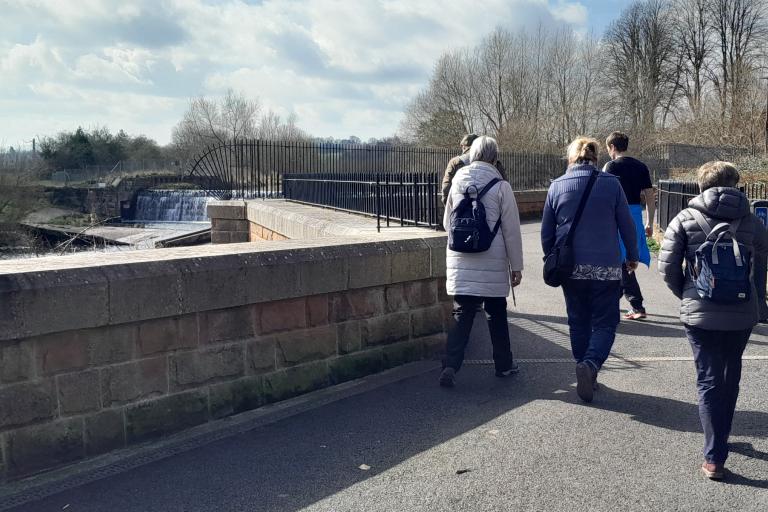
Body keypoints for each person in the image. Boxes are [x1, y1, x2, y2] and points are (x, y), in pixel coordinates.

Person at [658, 161, 768, 480]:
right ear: (737, 185)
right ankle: (721, 440)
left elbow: (667, 267)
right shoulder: (751, 221)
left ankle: (714, 457)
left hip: (699, 313)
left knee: (708, 380)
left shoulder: (684, 218)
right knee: (730, 376)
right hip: (741, 313)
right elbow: (762, 262)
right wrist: (756, 300)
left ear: (700, 185)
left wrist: (688, 293)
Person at [541, 137, 638, 403]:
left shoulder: (557, 186)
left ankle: (583, 366)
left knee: (578, 320)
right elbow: (626, 225)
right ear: (596, 158)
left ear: (571, 158)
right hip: (606, 267)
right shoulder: (611, 184)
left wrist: (552, 258)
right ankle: (591, 364)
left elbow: (547, 232)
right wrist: (632, 256)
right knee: (605, 322)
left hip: (571, 267)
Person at [439, 135, 523, 388]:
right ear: (495, 158)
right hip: (492, 259)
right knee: (496, 313)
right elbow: (511, 230)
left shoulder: (457, 180)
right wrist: (516, 267)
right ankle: (504, 365)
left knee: (462, 313)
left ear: (473, 154)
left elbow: (447, 223)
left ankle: (450, 365)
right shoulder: (501, 186)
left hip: (461, 258)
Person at [603, 132, 654, 320]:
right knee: (626, 260)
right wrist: (649, 222)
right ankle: (613, 302)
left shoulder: (610, 167)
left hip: (617, 215)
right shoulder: (641, 166)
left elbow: (604, 195)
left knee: (621, 261)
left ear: (612, 147)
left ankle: (636, 305)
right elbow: (650, 197)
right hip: (635, 215)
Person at [441, 134, 507, 204]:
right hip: (491, 204)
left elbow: (446, 187)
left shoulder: (455, 162)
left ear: (464, 147)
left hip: (461, 205)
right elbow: (505, 186)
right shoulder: (494, 162)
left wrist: (448, 204)